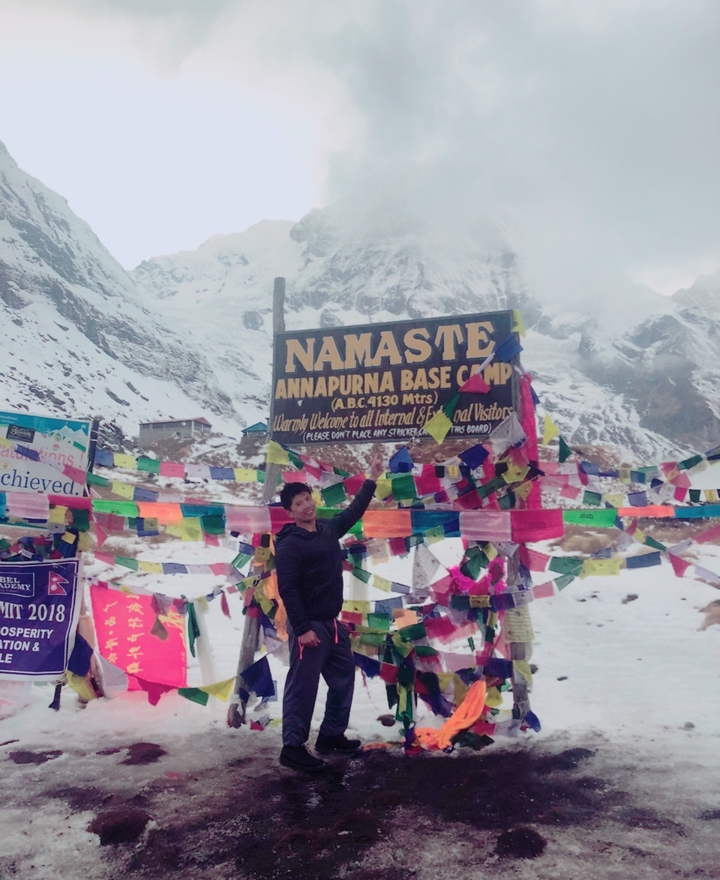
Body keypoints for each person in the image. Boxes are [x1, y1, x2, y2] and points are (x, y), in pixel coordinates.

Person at [275, 454, 383, 773]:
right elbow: (289, 590)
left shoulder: (326, 528)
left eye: (308, 498)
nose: (306, 505)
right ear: (291, 512)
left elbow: (354, 511)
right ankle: (292, 748)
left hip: (332, 624)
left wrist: (372, 479)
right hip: (309, 627)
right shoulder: (289, 545)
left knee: (342, 678)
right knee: (303, 686)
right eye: (299, 503)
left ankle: (331, 735)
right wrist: (302, 628)